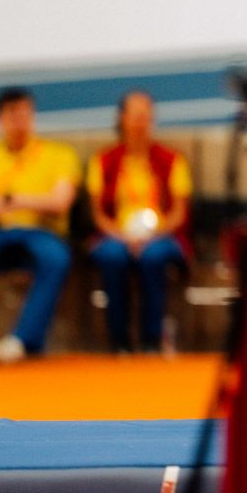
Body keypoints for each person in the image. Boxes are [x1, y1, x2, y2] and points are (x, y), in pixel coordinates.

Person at [0, 88, 79, 363]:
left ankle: (21, 342)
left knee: (56, 259)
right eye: (12, 114)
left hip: (41, 234)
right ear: (0, 119)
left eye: (25, 113)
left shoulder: (58, 154)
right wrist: (34, 201)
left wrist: (10, 199)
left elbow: (59, 203)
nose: (19, 120)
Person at [85, 91, 191, 354]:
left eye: (147, 116)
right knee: (112, 256)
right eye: (136, 116)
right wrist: (124, 237)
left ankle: (151, 340)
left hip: (160, 235)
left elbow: (179, 213)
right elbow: (98, 214)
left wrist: (150, 236)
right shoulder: (103, 161)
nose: (141, 122)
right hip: (116, 235)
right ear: (122, 119)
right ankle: (119, 340)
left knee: (153, 257)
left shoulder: (172, 159)